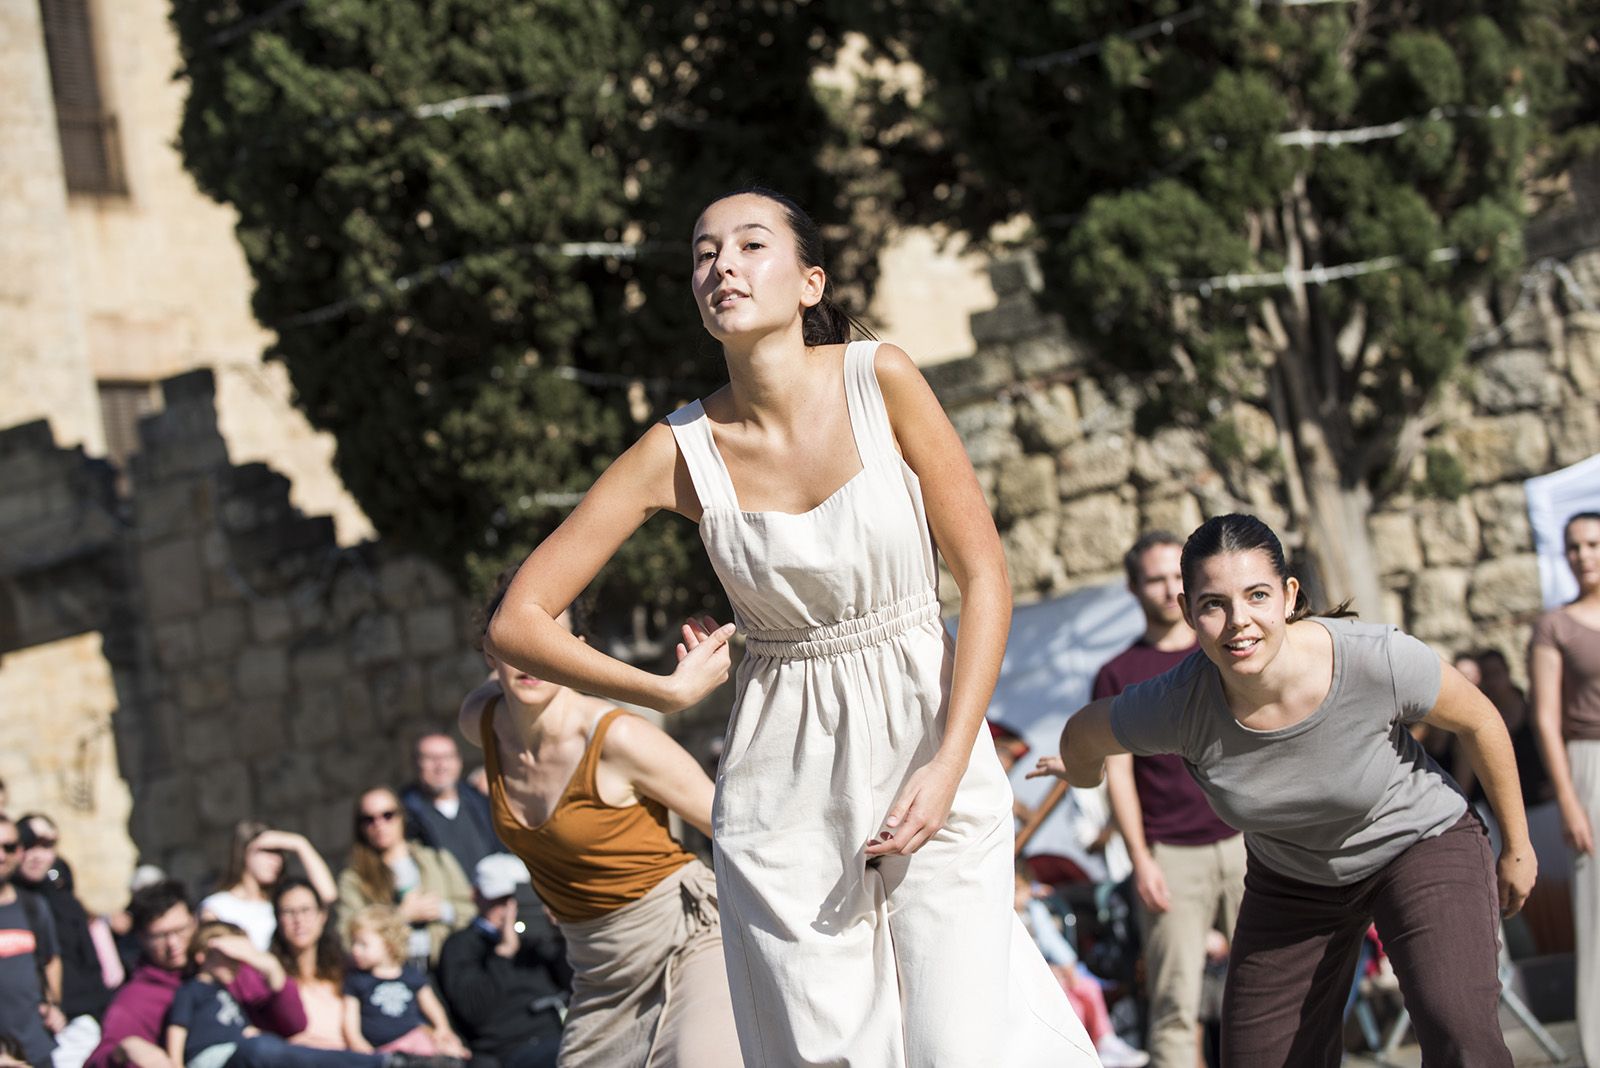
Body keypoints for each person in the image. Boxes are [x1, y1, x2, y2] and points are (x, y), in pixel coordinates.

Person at [484, 186, 1096, 1065]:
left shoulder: (881, 376)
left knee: (962, 1045)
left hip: (930, 740)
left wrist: (951, 759)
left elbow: (984, 574)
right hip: (781, 781)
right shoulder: (677, 449)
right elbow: (520, 620)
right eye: (703, 253)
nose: (721, 265)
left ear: (810, 282)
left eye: (749, 245)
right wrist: (659, 690)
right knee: (825, 1051)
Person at [1032, 512, 1537, 1065]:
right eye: (1213, 604)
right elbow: (1083, 732)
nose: (1238, 622)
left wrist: (1517, 845)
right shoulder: (1177, 703)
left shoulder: (1373, 659)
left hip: (1417, 846)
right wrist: (1083, 774)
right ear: (1187, 612)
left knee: (1458, 1030)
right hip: (1294, 879)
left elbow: (1481, 720)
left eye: (1256, 596)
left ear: (1289, 595)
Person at [460, 592, 740, 1068]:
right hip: (596, 973)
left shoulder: (618, 738)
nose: (534, 654)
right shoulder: (481, 721)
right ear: (492, 652)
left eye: (551, 640)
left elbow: (731, 826)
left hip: (684, 937)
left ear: (576, 650)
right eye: (518, 641)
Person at [1096, 532, 1244, 1068]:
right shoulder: (1117, 675)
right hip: (1172, 856)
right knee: (1175, 1007)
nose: (1167, 590)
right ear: (1134, 588)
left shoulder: (1228, 647)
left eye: (1176, 577)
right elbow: (1119, 777)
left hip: (1249, 839)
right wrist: (1141, 860)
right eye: (1154, 579)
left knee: (1280, 989)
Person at [1529, 509, 1600, 1067]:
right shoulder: (1555, 625)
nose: (1584, 555)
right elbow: (1547, 720)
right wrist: (1570, 800)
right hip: (1588, 763)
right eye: (1574, 547)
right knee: (1596, 914)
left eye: (1594, 544)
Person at [434, 856, 567, 1068]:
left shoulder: (538, 938)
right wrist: (503, 954)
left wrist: (564, 934)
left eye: (517, 899)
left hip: (558, 1035)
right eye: (499, 900)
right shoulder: (461, 945)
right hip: (507, 1049)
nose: (509, 910)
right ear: (476, 896)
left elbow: (574, 982)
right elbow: (473, 1011)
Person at [1014, 867, 1149, 1067]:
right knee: (1072, 1006)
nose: (1016, 896)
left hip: (1058, 974)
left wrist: (1067, 966)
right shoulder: (1010, 921)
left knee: (1088, 989)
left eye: (1020, 890)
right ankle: (1077, 1054)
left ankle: (1104, 1040)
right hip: (1035, 979)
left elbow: (1053, 942)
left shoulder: (1035, 911)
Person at [336, 791, 471, 969]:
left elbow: (470, 910)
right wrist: (401, 915)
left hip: (448, 965)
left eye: (387, 815)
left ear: (402, 816)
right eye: (368, 819)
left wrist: (443, 910)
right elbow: (348, 937)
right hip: (394, 974)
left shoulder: (437, 860)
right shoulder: (354, 879)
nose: (379, 824)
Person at [340, 907, 465, 1059]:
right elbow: (350, 1023)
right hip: (381, 1050)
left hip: (414, 1040)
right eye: (353, 943)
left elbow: (431, 1004)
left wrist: (442, 1028)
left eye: (363, 944)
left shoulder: (410, 974)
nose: (355, 950)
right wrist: (362, 1048)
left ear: (388, 944)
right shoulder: (356, 980)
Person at [202, 823, 337, 952]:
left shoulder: (281, 901)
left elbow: (328, 895)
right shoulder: (217, 907)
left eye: (279, 852)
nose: (276, 860)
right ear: (243, 852)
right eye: (267, 851)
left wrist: (300, 844)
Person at [164, 921, 269, 1068]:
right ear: (202, 955)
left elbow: (248, 1031)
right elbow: (177, 1028)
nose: (235, 964)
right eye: (227, 956)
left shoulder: (228, 993)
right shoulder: (191, 990)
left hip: (239, 1052)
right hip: (208, 1056)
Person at [400, 737, 502, 882]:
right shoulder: (403, 816)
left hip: (493, 895)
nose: (440, 765)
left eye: (447, 757)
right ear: (416, 763)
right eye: (430, 758)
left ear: (459, 761)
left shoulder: (482, 803)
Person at [0, 815, 58, 1068]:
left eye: (9, 847)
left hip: (36, 1051)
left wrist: (53, 1003)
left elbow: (50, 959)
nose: (1, 856)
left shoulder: (33, 906)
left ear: (20, 851)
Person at [269, 880, 347, 1051]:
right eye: (288, 912)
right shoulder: (271, 977)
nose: (298, 920)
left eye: (306, 910)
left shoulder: (346, 971)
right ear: (278, 919)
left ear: (322, 916)